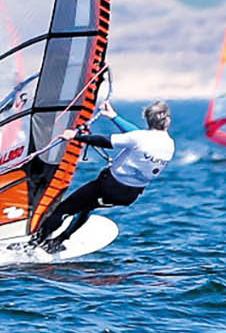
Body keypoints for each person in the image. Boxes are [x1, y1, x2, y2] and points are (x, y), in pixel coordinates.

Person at [34, 99, 173, 250]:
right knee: (87, 207)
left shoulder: (140, 138)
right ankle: (58, 241)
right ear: (167, 121)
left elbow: (105, 141)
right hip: (130, 196)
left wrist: (75, 136)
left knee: (64, 209)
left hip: (108, 188)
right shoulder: (169, 143)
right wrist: (113, 117)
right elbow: (136, 135)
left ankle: (35, 244)